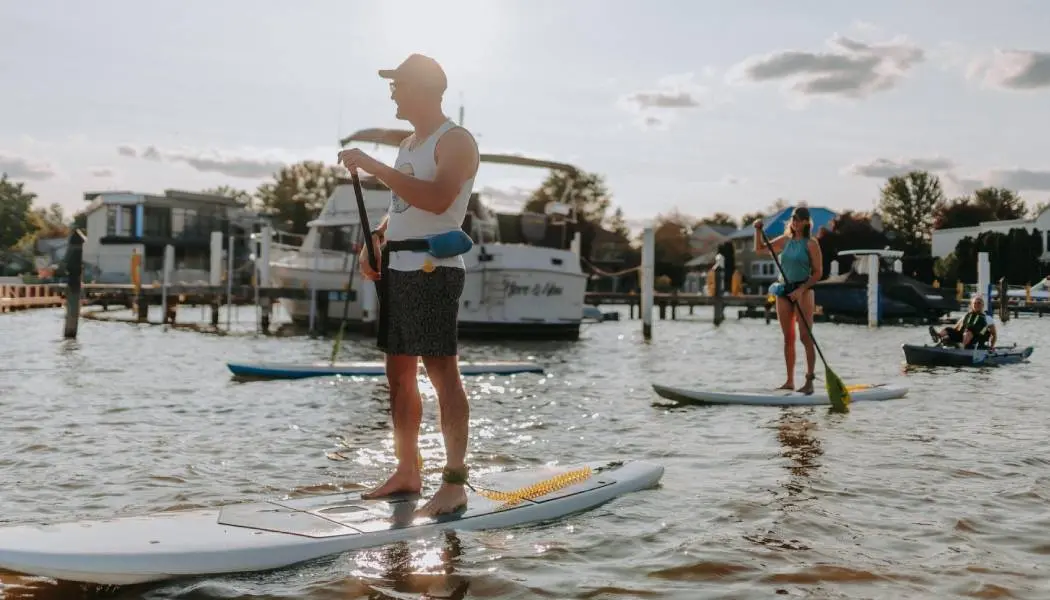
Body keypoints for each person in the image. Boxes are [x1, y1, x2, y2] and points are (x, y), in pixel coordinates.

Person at [337, 53, 480, 518]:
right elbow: (403, 205)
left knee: (441, 374)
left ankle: (454, 482)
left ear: (422, 88)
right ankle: (407, 471)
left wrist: (374, 167)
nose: (392, 92)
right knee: (398, 376)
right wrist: (376, 240)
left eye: (398, 84)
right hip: (398, 267)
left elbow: (439, 199)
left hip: (432, 271)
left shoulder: (454, 140)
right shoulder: (409, 143)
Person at [753, 206, 824, 394]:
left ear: (806, 222)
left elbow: (818, 273)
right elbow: (760, 249)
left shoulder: (811, 244)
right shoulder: (785, 240)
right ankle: (789, 381)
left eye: (799, 219)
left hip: (803, 290)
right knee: (788, 338)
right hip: (784, 290)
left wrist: (801, 290)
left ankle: (809, 381)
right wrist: (758, 230)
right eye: (794, 219)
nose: (795, 222)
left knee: (805, 337)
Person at [930, 294, 997, 350]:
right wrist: (949, 336)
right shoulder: (966, 316)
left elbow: (994, 334)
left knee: (969, 332)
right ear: (972, 305)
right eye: (975, 303)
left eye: (979, 303)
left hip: (977, 339)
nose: (977, 305)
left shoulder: (988, 318)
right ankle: (938, 337)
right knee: (948, 329)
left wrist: (992, 346)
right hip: (963, 336)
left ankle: (962, 348)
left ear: (982, 305)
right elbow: (956, 329)